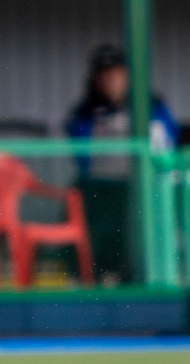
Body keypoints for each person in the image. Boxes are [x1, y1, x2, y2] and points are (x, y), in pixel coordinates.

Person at [66, 44, 179, 282]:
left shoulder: (151, 105)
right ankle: (89, 276)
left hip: (145, 185)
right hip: (104, 186)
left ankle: (138, 274)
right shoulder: (85, 112)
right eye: (105, 76)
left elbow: (168, 141)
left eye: (117, 75)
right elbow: (83, 156)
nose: (111, 82)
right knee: (80, 203)